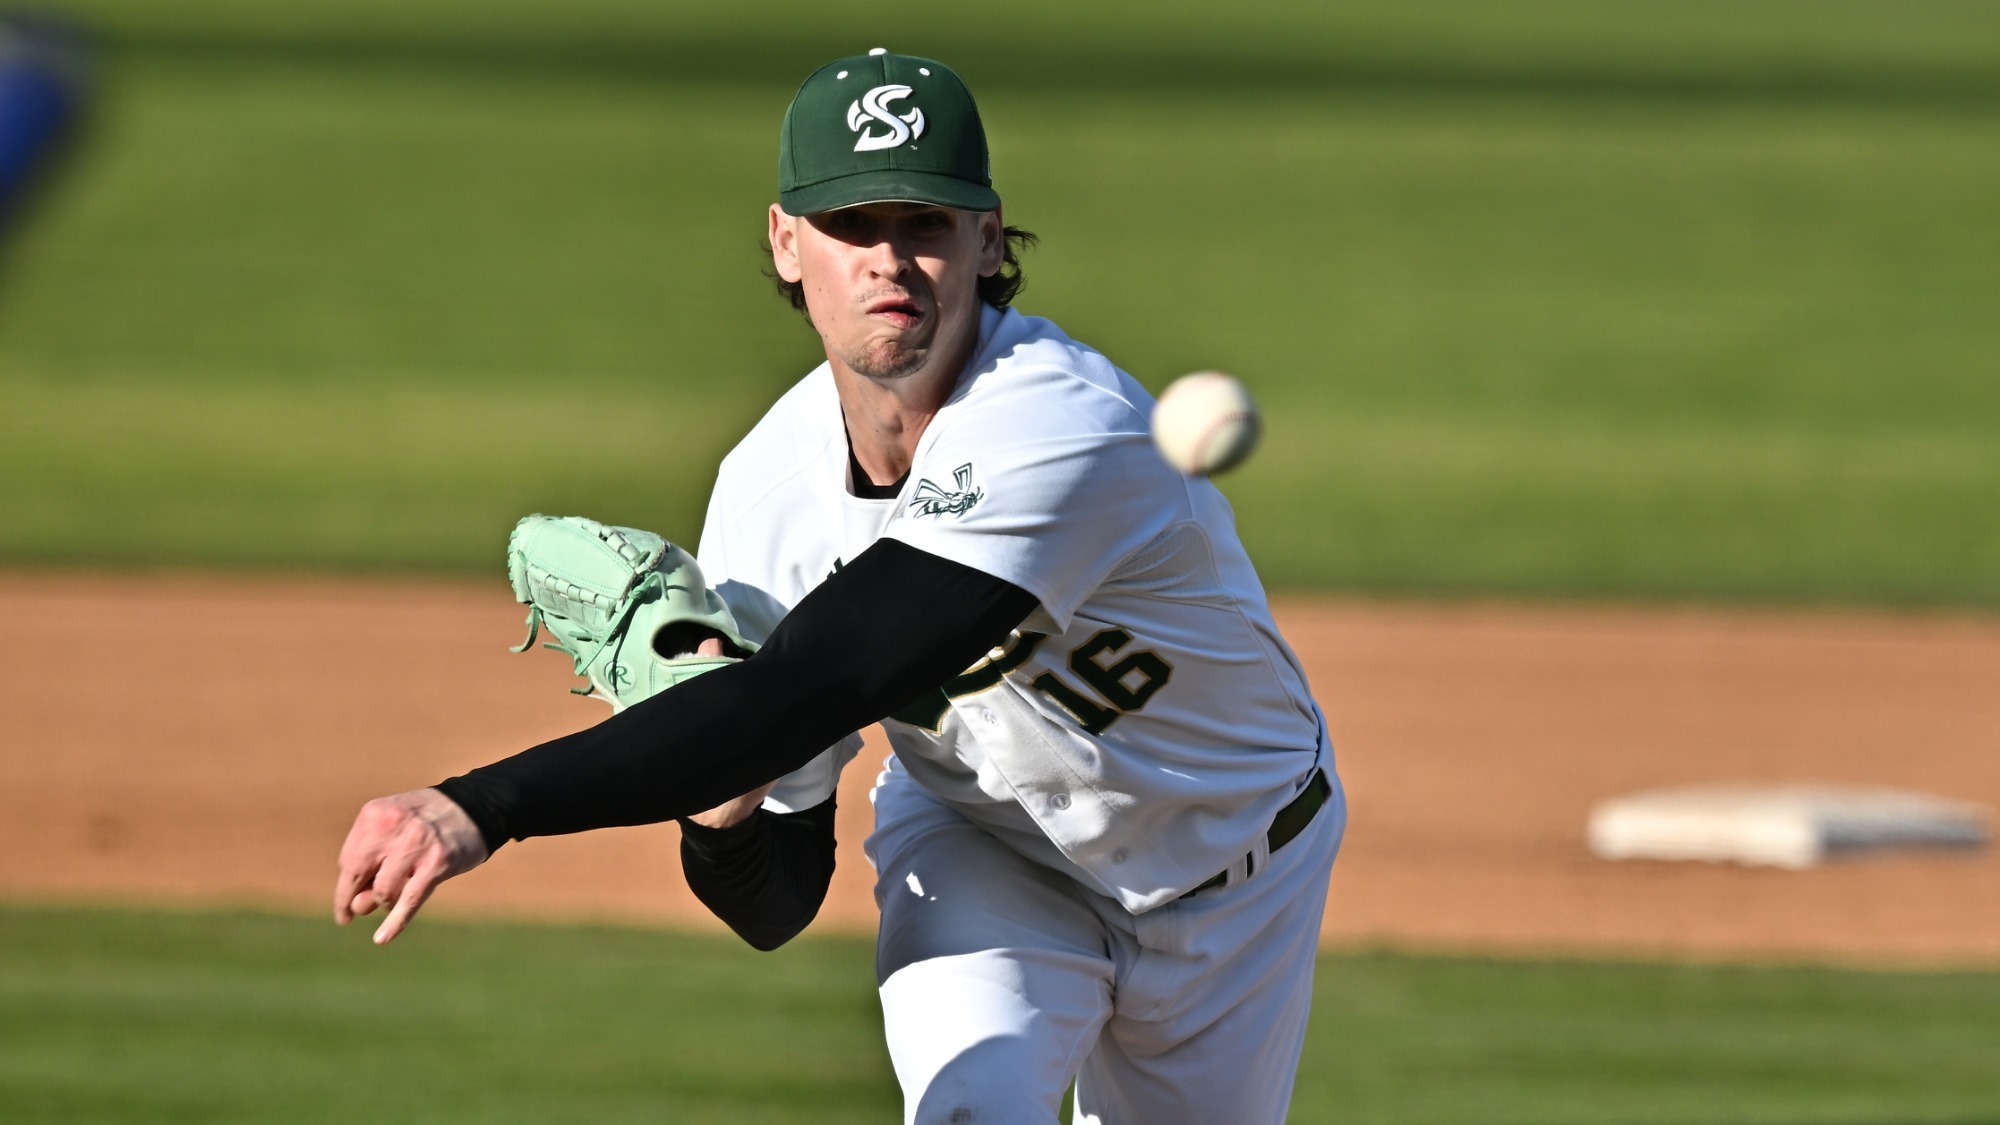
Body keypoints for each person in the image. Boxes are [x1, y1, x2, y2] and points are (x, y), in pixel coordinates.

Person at [334, 48, 1345, 1124]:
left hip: (1243, 873)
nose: (888, 261)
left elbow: (816, 681)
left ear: (987, 240)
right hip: (986, 853)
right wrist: (720, 812)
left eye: (925, 223)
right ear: (786, 241)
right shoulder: (765, 492)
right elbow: (778, 901)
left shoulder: (1058, 423)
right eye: (851, 225)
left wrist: (484, 804)